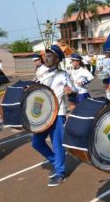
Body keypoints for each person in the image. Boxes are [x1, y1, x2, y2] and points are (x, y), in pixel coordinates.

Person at [33, 45, 77, 187]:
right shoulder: (41, 72)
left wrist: (70, 92)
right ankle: (55, 161)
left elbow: (74, 91)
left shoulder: (63, 74)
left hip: (58, 113)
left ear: (57, 59)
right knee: (36, 143)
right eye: (46, 55)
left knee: (57, 144)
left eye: (50, 56)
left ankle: (60, 173)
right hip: (42, 114)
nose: (46, 57)